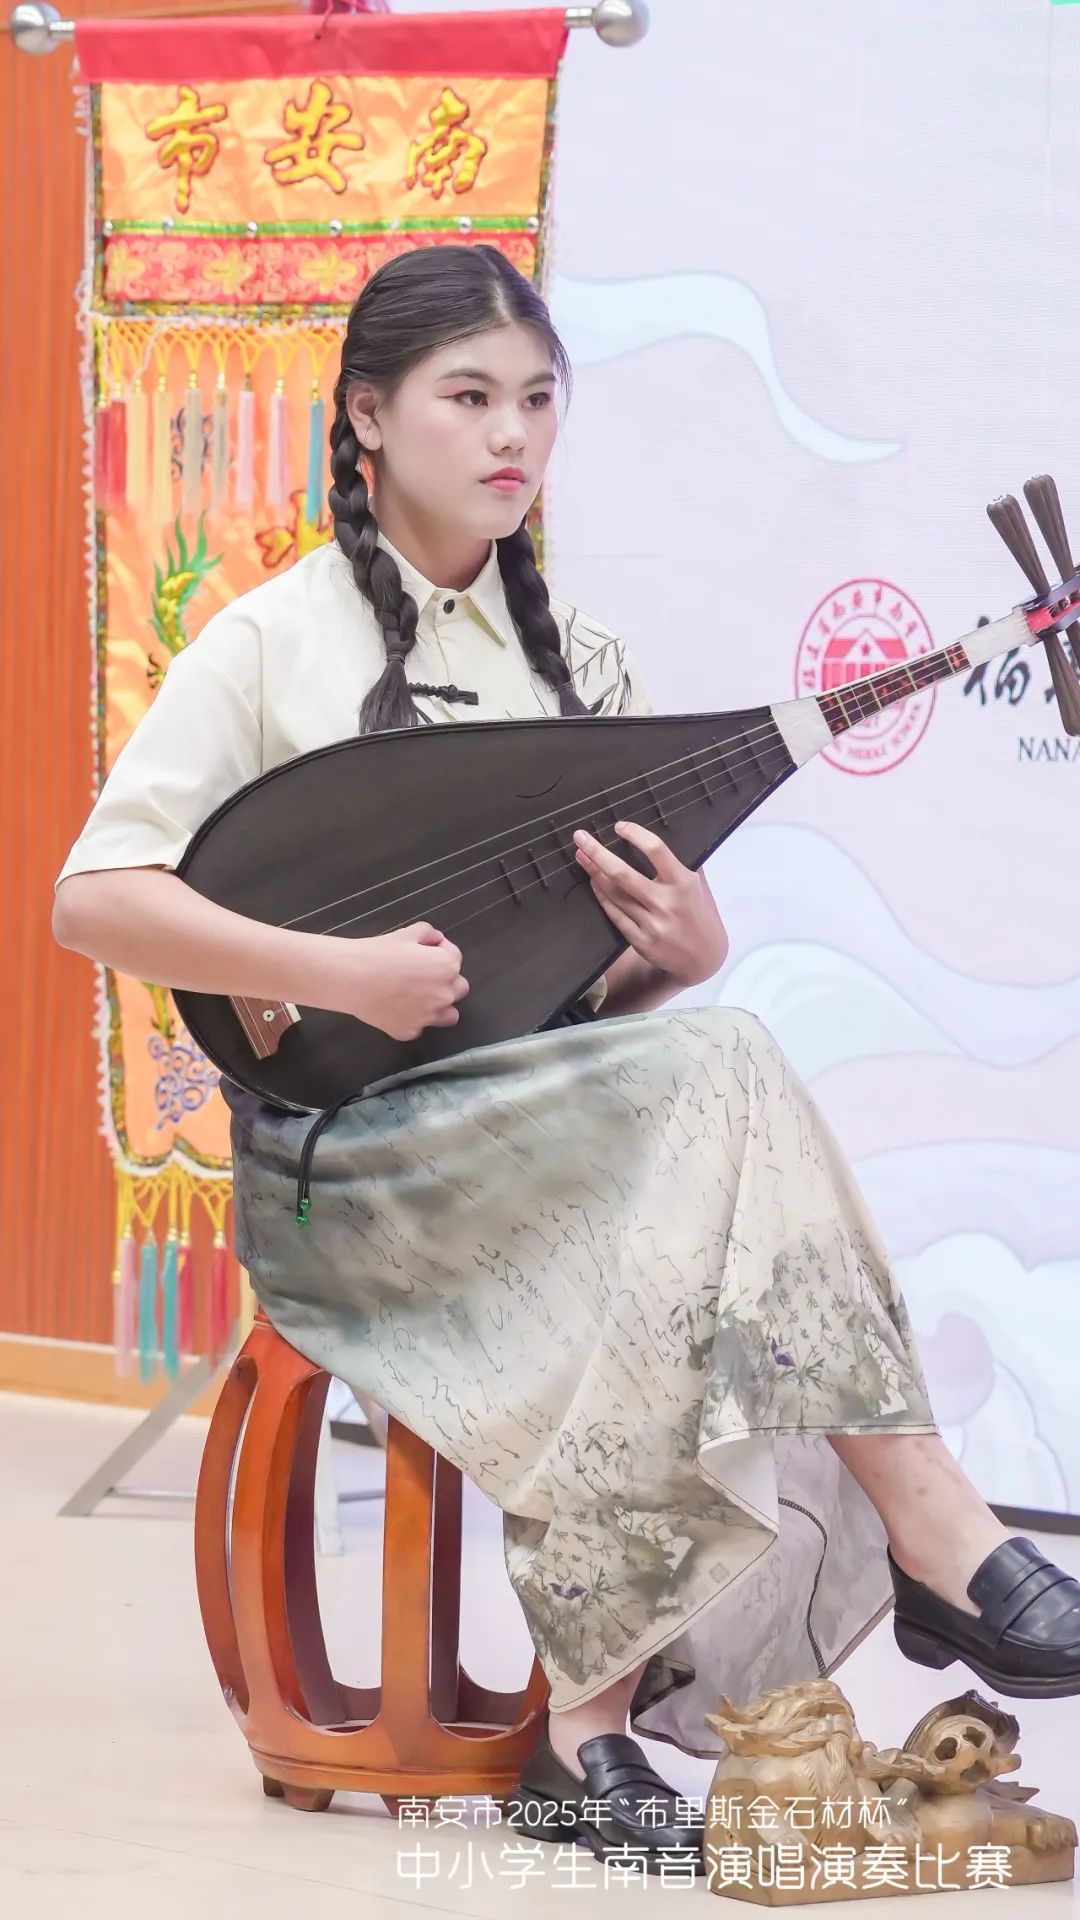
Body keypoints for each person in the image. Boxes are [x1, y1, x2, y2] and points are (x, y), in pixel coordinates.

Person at [53, 245, 1080, 1866]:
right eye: (469, 398)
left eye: (538, 400)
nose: (511, 435)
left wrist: (676, 957)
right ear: (367, 417)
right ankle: (929, 1526)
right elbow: (94, 898)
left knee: (701, 1093)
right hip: (351, 1169)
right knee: (710, 1106)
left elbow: (570, 1012)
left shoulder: (578, 666)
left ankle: (587, 1730)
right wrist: (337, 972)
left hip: (531, 1131)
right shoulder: (273, 640)